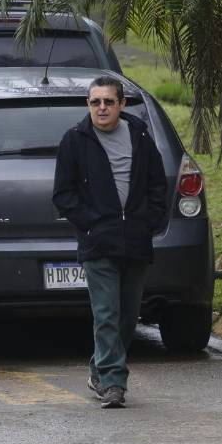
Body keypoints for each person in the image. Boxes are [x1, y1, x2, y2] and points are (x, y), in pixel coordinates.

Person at [52, 75, 168, 409]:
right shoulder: (75, 140)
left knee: (128, 316)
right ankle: (114, 382)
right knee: (107, 312)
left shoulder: (140, 136)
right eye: (94, 102)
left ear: (122, 105)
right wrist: (92, 223)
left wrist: (148, 221)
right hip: (98, 243)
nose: (101, 108)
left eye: (108, 102)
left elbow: (157, 185)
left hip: (135, 240)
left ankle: (98, 369)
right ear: (88, 104)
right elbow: (63, 195)